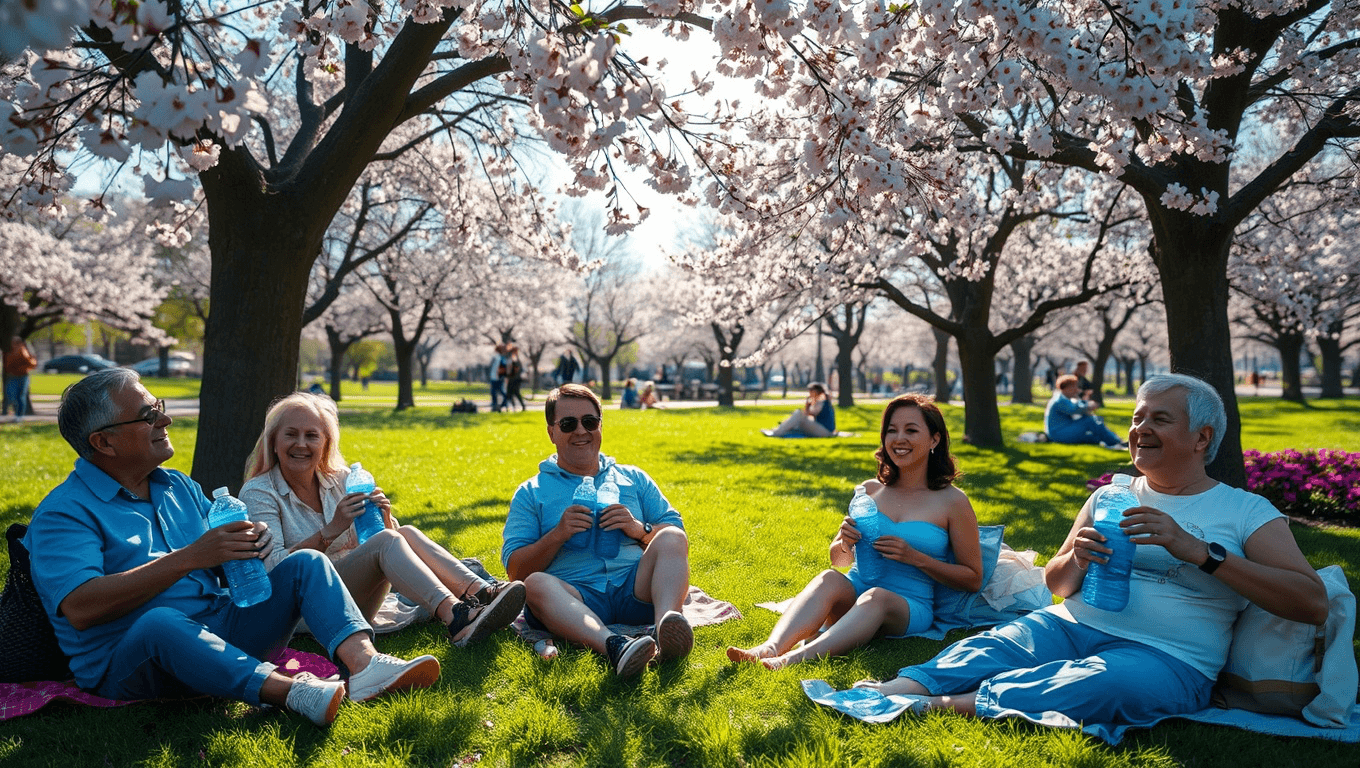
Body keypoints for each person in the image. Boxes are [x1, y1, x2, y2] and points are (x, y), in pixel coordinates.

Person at [858, 374, 1328, 726]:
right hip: (1072, 625)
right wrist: (1078, 558)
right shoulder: (1111, 496)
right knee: (996, 644)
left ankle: (942, 706)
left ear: (1201, 437)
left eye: (1159, 419)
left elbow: (1311, 602)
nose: (1140, 429)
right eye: (1137, 418)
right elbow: (1057, 584)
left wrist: (1199, 552)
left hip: (1167, 655)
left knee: (1103, 685)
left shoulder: (1245, 510)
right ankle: (895, 688)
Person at [24, 370, 441, 728]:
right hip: (131, 662)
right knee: (160, 623)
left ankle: (365, 665)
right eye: (149, 415)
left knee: (305, 563)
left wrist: (247, 546)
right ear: (104, 442)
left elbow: (224, 563)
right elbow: (80, 607)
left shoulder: (177, 487)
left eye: (159, 407)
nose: (165, 419)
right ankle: (290, 693)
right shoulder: (64, 512)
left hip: (220, 625)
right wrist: (192, 557)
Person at [241, 392, 526, 647]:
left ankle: (481, 592)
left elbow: (390, 545)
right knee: (389, 540)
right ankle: (456, 617)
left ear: (325, 443)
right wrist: (330, 531)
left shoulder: (340, 480)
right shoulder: (259, 492)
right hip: (304, 608)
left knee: (405, 532)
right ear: (273, 442)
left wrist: (385, 518)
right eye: (291, 434)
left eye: (311, 435)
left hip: (357, 594)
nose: (301, 444)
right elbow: (273, 572)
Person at [730, 394, 983, 669]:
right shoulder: (870, 491)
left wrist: (916, 558)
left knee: (877, 597)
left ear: (934, 439)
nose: (899, 439)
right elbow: (839, 561)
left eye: (911, 430)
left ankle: (792, 660)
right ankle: (768, 649)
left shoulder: (953, 502)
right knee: (828, 578)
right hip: (856, 589)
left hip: (908, 605)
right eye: (892, 430)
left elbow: (972, 578)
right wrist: (845, 543)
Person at [502, 384, 693, 677]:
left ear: (600, 425)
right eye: (568, 424)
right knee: (535, 584)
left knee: (672, 537)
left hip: (635, 589)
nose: (581, 431)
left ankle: (666, 628)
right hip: (575, 599)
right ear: (552, 432)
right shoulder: (532, 492)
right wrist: (557, 535)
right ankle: (614, 646)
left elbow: (677, 537)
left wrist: (639, 529)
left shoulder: (633, 478)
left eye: (589, 422)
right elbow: (516, 572)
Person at [1045, 374, 1125, 449]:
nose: (1077, 389)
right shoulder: (1060, 400)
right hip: (1059, 433)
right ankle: (1115, 443)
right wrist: (1088, 405)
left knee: (1095, 436)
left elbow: (1078, 407)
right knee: (1090, 420)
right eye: (1075, 386)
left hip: (1062, 431)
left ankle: (1115, 441)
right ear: (1068, 387)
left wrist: (1083, 402)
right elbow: (1075, 410)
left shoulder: (1063, 398)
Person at [763, 382, 835, 437]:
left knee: (799, 414)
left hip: (825, 431)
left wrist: (807, 405)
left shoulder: (821, 401)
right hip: (823, 430)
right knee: (797, 418)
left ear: (815, 391)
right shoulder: (822, 401)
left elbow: (810, 414)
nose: (809, 393)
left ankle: (776, 432)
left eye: (810, 391)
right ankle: (778, 430)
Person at [4, 335, 37, 421]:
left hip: (22, 377)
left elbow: (32, 364)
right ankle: (16, 414)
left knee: (20, 397)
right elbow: (7, 365)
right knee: (12, 396)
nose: (14, 345)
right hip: (12, 377)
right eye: (13, 343)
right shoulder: (10, 353)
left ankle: (19, 415)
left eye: (16, 343)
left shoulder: (23, 351)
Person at [504, 344, 527, 412]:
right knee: (512, 393)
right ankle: (515, 407)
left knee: (512, 393)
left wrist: (509, 375)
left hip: (513, 379)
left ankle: (515, 407)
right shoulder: (515, 357)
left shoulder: (514, 357)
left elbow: (515, 368)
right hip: (514, 378)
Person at [489, 344, 508, 412]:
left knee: (499, 392)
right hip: (494, 377)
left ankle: (502, 404)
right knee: (494, 393)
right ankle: (495, 406)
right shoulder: (497, 357)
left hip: (498, 378)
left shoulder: (501, 358)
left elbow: (503, 368)